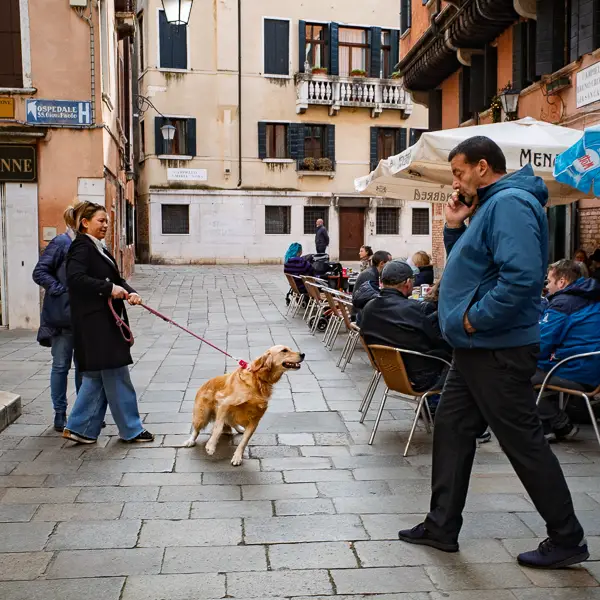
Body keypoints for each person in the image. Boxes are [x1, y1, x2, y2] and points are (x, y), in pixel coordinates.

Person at [398, 136, 587, 570]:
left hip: (496, 347)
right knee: (452, 428)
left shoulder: (510, 203)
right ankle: (441, 525)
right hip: (476, 348)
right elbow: (477, 263)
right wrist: (451, 226)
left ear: (483, 167)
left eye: (460, 171)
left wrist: (474, 318)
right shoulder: (490, 205)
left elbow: (521, 277)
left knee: (522, 441)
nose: (456, 180)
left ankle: (567, 537)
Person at [62, 201, 154, 445]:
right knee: (116, 374)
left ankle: (80, 428)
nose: (106, 225)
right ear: (85, 223)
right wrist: (109, 289)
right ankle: (131, 429)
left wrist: (129, 292)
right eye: (101, 221)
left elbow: (116, 278)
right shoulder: (81, 247)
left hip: (100, 323)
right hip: (96, 325)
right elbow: (75, 279)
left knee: (95, 377)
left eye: (106, 221)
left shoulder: (97, 247)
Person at [534, 259, 600, 442]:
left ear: (562, 281)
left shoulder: (563, 303)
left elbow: (541, 344)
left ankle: (560, 423)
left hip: (577, 371)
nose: (547, 287)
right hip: (592, 369)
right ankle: (548, 429)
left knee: (511, 372)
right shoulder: (591, 297)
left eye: (549, 281)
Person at [360, 261, 451, 392]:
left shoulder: (368, 307)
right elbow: (437, 340)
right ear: (408, 282)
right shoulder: (413, 309)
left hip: (390, 372)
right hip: (424, 375)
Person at [32, 220, 82, 432]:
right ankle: (60, 413)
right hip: (63, 318)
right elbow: (39, 271)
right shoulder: (62, 242)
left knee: (85, 368)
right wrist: (59, 289)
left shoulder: (93, 246)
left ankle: (83, 412)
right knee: (61, 366)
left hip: (86, 318)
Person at [352, 250, 391, 323]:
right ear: (381, 263)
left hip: (362, 311)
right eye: (390, 262)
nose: (392, 265)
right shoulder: (370, 274)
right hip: (361, 315)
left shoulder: (372, 271)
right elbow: (374, 298)